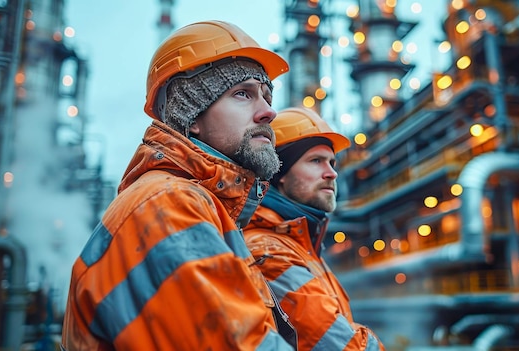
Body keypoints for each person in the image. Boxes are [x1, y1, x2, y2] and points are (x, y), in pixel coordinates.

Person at [61, 20, 297, 350]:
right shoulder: (168, 205)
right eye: (242, 94)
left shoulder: (205, 207)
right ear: (191, 117)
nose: (269, 112)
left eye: (267, 96)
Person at [243, 107, 385, 351]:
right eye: (315, 161)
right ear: (279, 174)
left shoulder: (300, 244)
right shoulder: (269, 250)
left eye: (332, 162)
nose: (331, 173)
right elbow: (343, 346)